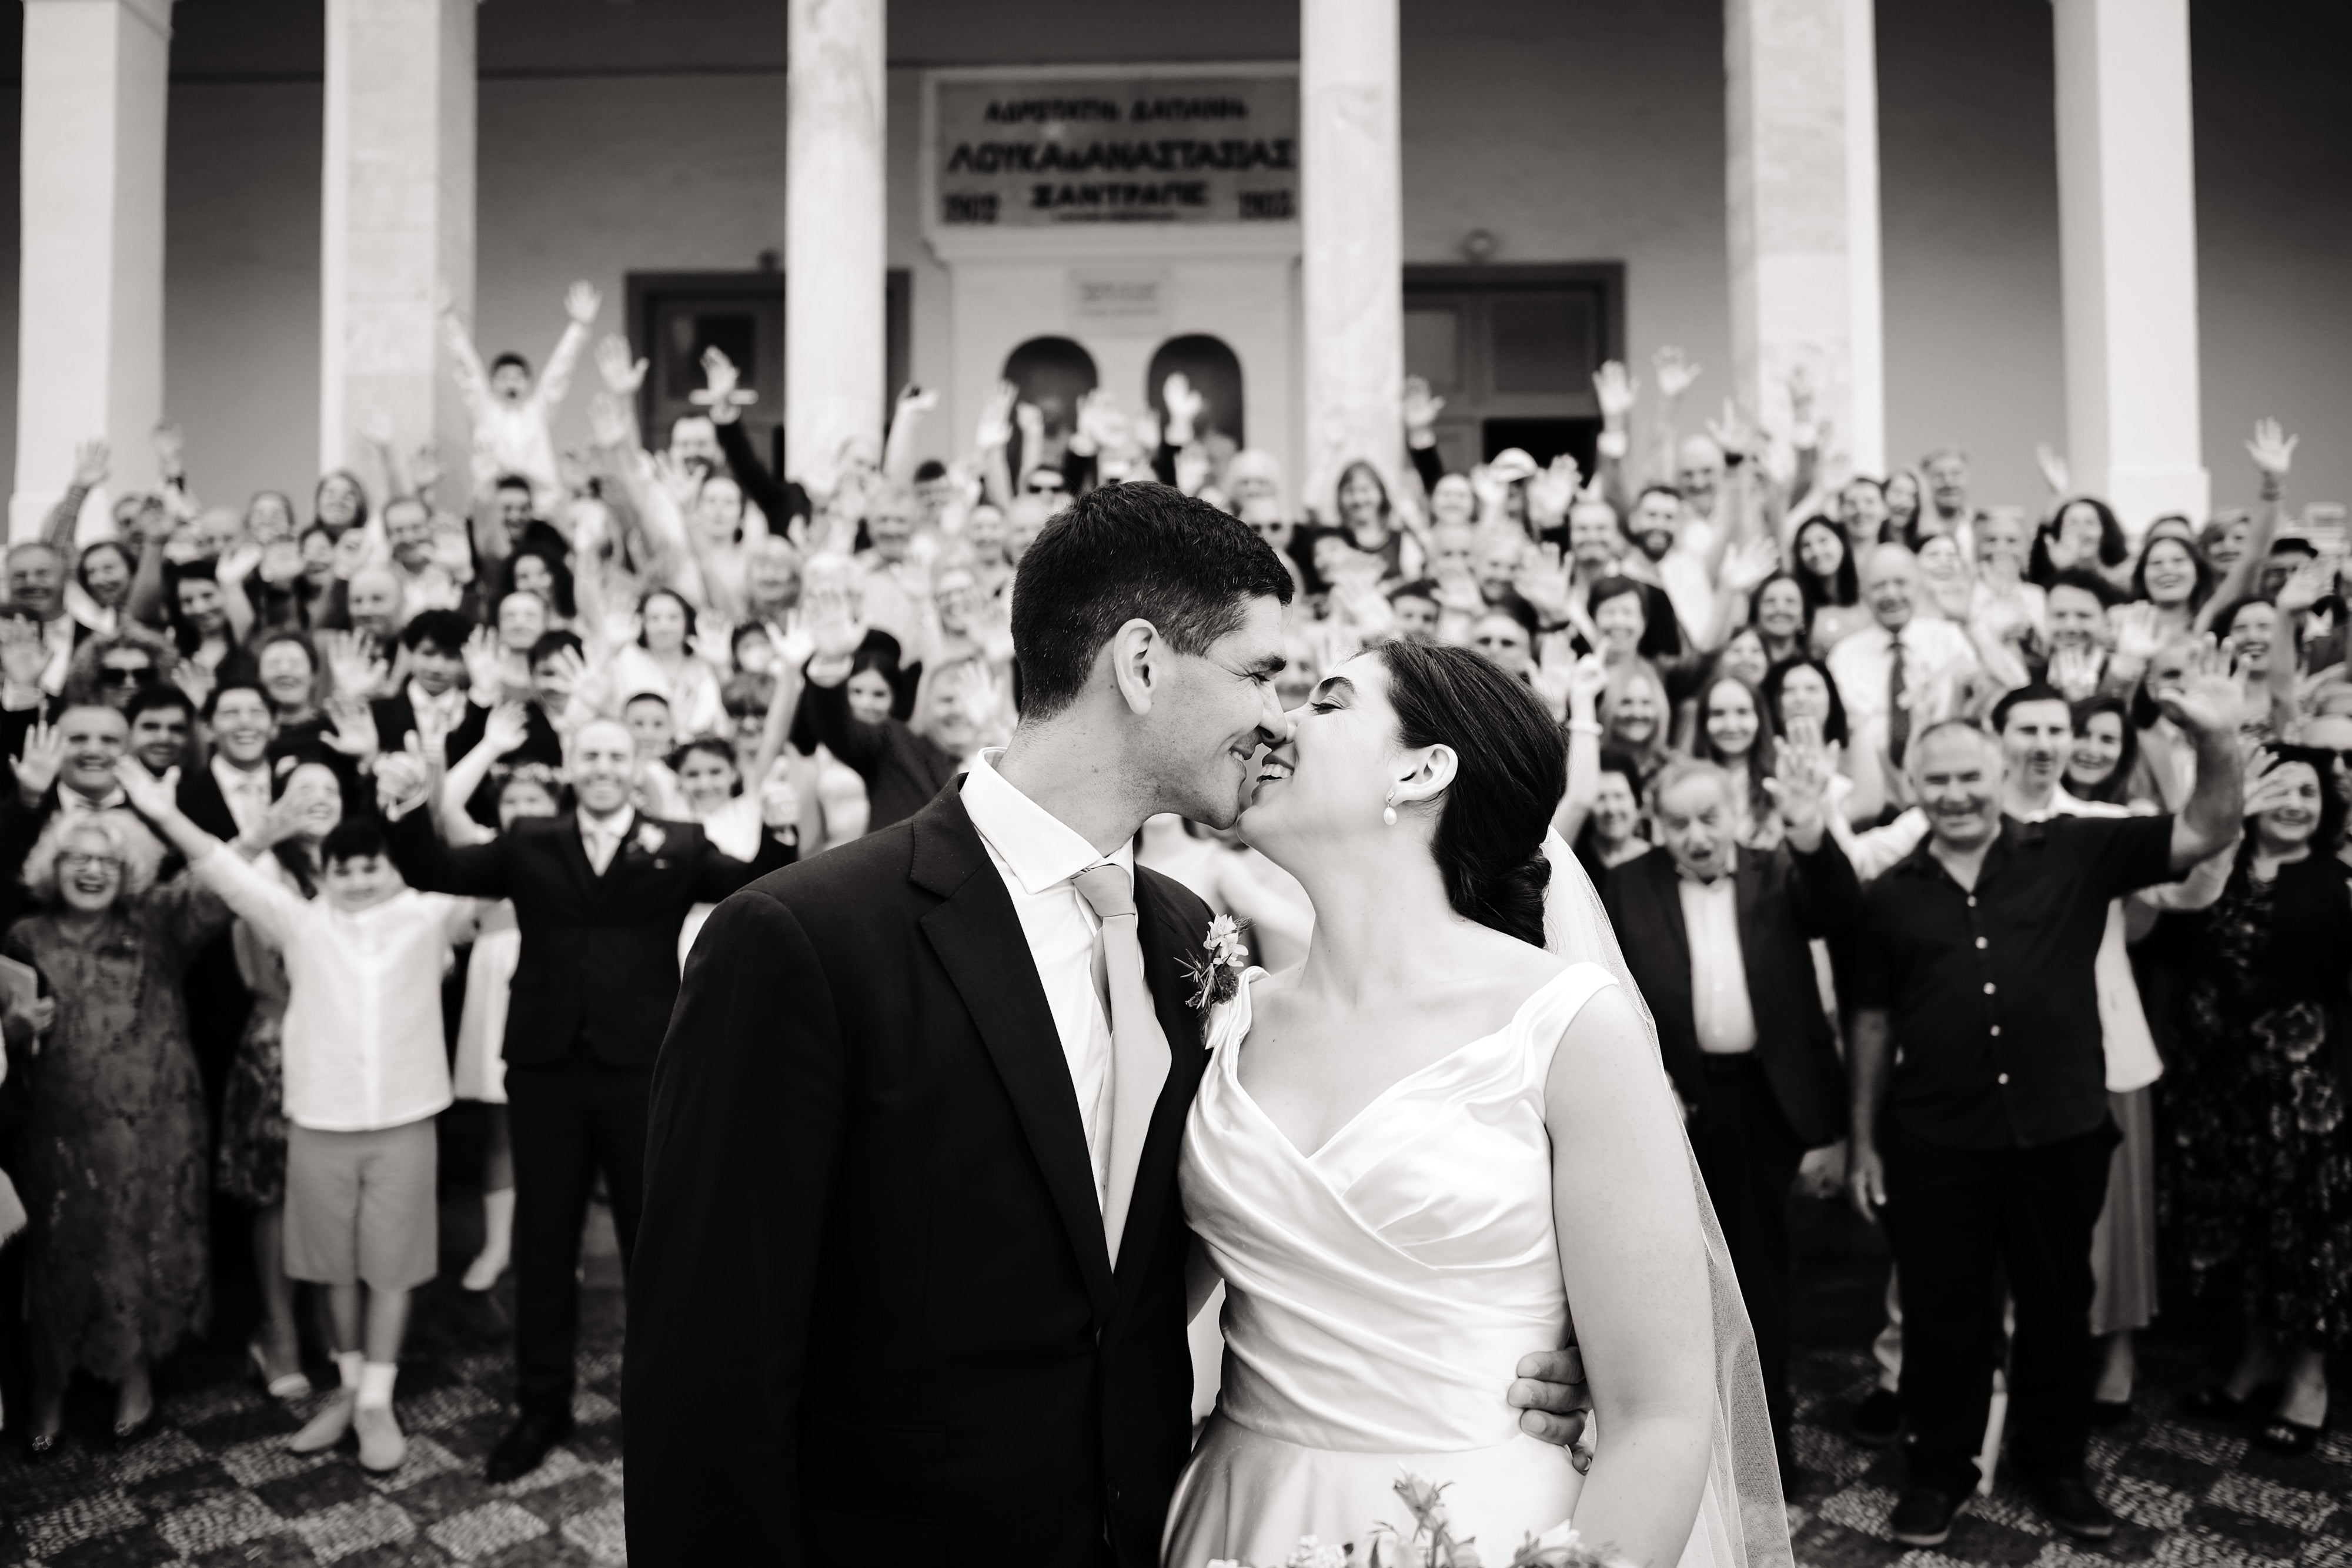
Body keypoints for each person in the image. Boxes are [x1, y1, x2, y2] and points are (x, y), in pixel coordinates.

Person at [623, 485, 1589, 1565]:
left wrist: (1543, 1331)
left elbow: (1214, 1241)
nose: (1279, 721)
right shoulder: (803, 940)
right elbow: (707, 1376)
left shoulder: (1186, 938)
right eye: (1262, 672)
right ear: (1141, 664)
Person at [1167, 638, 1784, 1567]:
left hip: (1484, 1528)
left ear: (1423, 768)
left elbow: (1658, 1414)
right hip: (1238, 1511)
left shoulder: (1569, 1027)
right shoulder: (1226, 1014)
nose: (1278, 719)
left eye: (1328, 702)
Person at [1843, 646, 2242, 1547]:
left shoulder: (2077, 847)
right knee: (1946, 1316)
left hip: (2062, 1133)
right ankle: (1940, 1467)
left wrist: (2217, 739)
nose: (1955, 793)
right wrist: (1863, 1139)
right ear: (1915, 785)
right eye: (1935, 779)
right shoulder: (1889, 896)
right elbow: (1868, 1020)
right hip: (1934, 1141)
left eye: (1969, 775)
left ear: (2000, 769)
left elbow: (2207, 831)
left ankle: (2053, 1459)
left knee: (2060, 1307)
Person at [380, 715, 796, 1482]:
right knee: (545, 1244)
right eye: (590, 754)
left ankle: (664, 1406)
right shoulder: (531, 837)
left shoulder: (677, 839)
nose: (602, 766)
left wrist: (779, 829)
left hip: (641, 1069)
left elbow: (756, 887)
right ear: (571, 764)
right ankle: (541, 1404)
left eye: (615, 754)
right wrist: (403, 808)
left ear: (635, 764)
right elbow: (435, 866)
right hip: (543, 1068)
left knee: (655, 1246)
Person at [123, 771, 479, 1472]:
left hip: (406, 1121)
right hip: (319, 1123)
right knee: (333, 1269)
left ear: (392, 865)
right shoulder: (300, 919)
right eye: (341, 868)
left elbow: (487, 872)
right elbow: (223, 871)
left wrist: (438, 782)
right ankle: (349, 1392)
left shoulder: (425, 913)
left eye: (370, 865)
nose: (356, 879)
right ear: (325, 872)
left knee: (393, 1269)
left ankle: (377, 1399)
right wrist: (166, 816)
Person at [1602, 745, 1856, 1479]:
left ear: (1736, 813)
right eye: (1677, 823)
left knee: (1762, 1282)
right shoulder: (1624, 886)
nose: (1696, 836)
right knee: (1673, 1287)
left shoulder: (1781, 869)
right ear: (1657, 825)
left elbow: (1842, 912)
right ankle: (1687, 1456)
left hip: (1766, 1106)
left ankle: (1768, 1451)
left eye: (1709, 818)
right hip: (1674, 1110)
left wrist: (1810, 832)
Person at [8, 807, 228, 1454]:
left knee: (134, 1241)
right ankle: (50, 1385)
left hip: (155, 1122)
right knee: (55, 1249)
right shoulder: (25, 936)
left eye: (106, 860)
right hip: (56, 1121)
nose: (92, 870)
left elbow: (220, 886)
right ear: (51, 869)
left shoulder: (157, 923)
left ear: (128, 871)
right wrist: (15, 1034)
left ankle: (135, 1376)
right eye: (77, 858)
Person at [2154, 746, 2351, 1455]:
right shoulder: (2217, 871)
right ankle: (2254, 1359)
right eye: (2280, 788)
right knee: (2234, 1223)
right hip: (2215, 1087)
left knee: (2303, 1235)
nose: (2297, 803)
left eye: (2310, 792)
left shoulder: (2337, 882)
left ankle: (2308, 1381)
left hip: (2304, 1098)